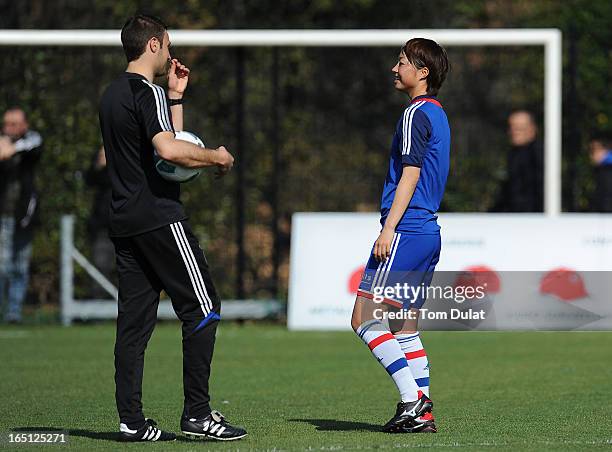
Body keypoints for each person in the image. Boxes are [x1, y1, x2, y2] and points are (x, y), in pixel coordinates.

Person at [99, 14, 245, 442]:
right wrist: (218, 158)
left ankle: (131, 422)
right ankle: (198, 415)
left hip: (125, 222)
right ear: (154, 45)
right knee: (203, 307)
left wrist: (177, 97)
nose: (169, 53)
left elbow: (163, 156)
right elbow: (170, 151)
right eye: (167, 45)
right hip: (160, 218)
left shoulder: (112, 94)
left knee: (133, 327)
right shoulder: (146, 90)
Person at [350, 38, 450, 433]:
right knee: (405, 328)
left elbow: (411, 172)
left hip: (406, 229)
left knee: (363, 320)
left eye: (402, 62)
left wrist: (388, 228)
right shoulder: (439, 114)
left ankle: (413, 402)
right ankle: (422, 417)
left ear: (422, 72)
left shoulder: (414, 113)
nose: (395, 68)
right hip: (428, 231)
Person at [0, 108, 43, 324]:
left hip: (24, 213)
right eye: (7, 124)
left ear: (24, 125)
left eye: (14, 123)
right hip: (3, 214)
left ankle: (13, 312)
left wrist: (11, 147)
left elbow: (33, 145)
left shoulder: (31, 140)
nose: (10, 128)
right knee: (2, 265)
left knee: (19, 266)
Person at [491, 110, 543, 212]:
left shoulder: (538, 155)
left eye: (520, 128)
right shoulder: (514, 154)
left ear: (532, 129)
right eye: (511, 127)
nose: (514, 131)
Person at [84, 146, 115, 296]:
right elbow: (90, 179)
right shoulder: (98, 165)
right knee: (100, 265)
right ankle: (98, 302)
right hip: (103, 225)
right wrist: (99, 165)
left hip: (129, 223)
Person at [588, 135, 612, 212]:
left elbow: (606, 199)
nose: (591, 156)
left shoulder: (607, 171)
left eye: (592, 150)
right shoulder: (603, 169)